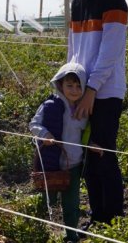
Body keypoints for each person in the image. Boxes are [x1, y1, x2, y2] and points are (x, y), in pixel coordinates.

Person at [66, 0, 128, 226]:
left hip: (106, 91)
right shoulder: (78, 3)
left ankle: (114, 218)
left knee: (103, 152)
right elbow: (74, 50)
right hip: (82, 91)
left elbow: (110, 52)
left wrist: (91, 89)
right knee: (87, 159)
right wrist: (71, 85)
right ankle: (97, 215)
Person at [29, 62, 91, 242]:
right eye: (69, 85)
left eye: (79, 85)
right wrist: (45, 134)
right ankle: (36, 230)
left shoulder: (84, 109)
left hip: (74, 164)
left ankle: (71, 236)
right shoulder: (50, 105)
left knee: (71, 203)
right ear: (60, 85)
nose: (74, 90)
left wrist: (92, 144)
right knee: (47, 198)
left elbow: (87, 133)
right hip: (51, 164)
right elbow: (34, 124)